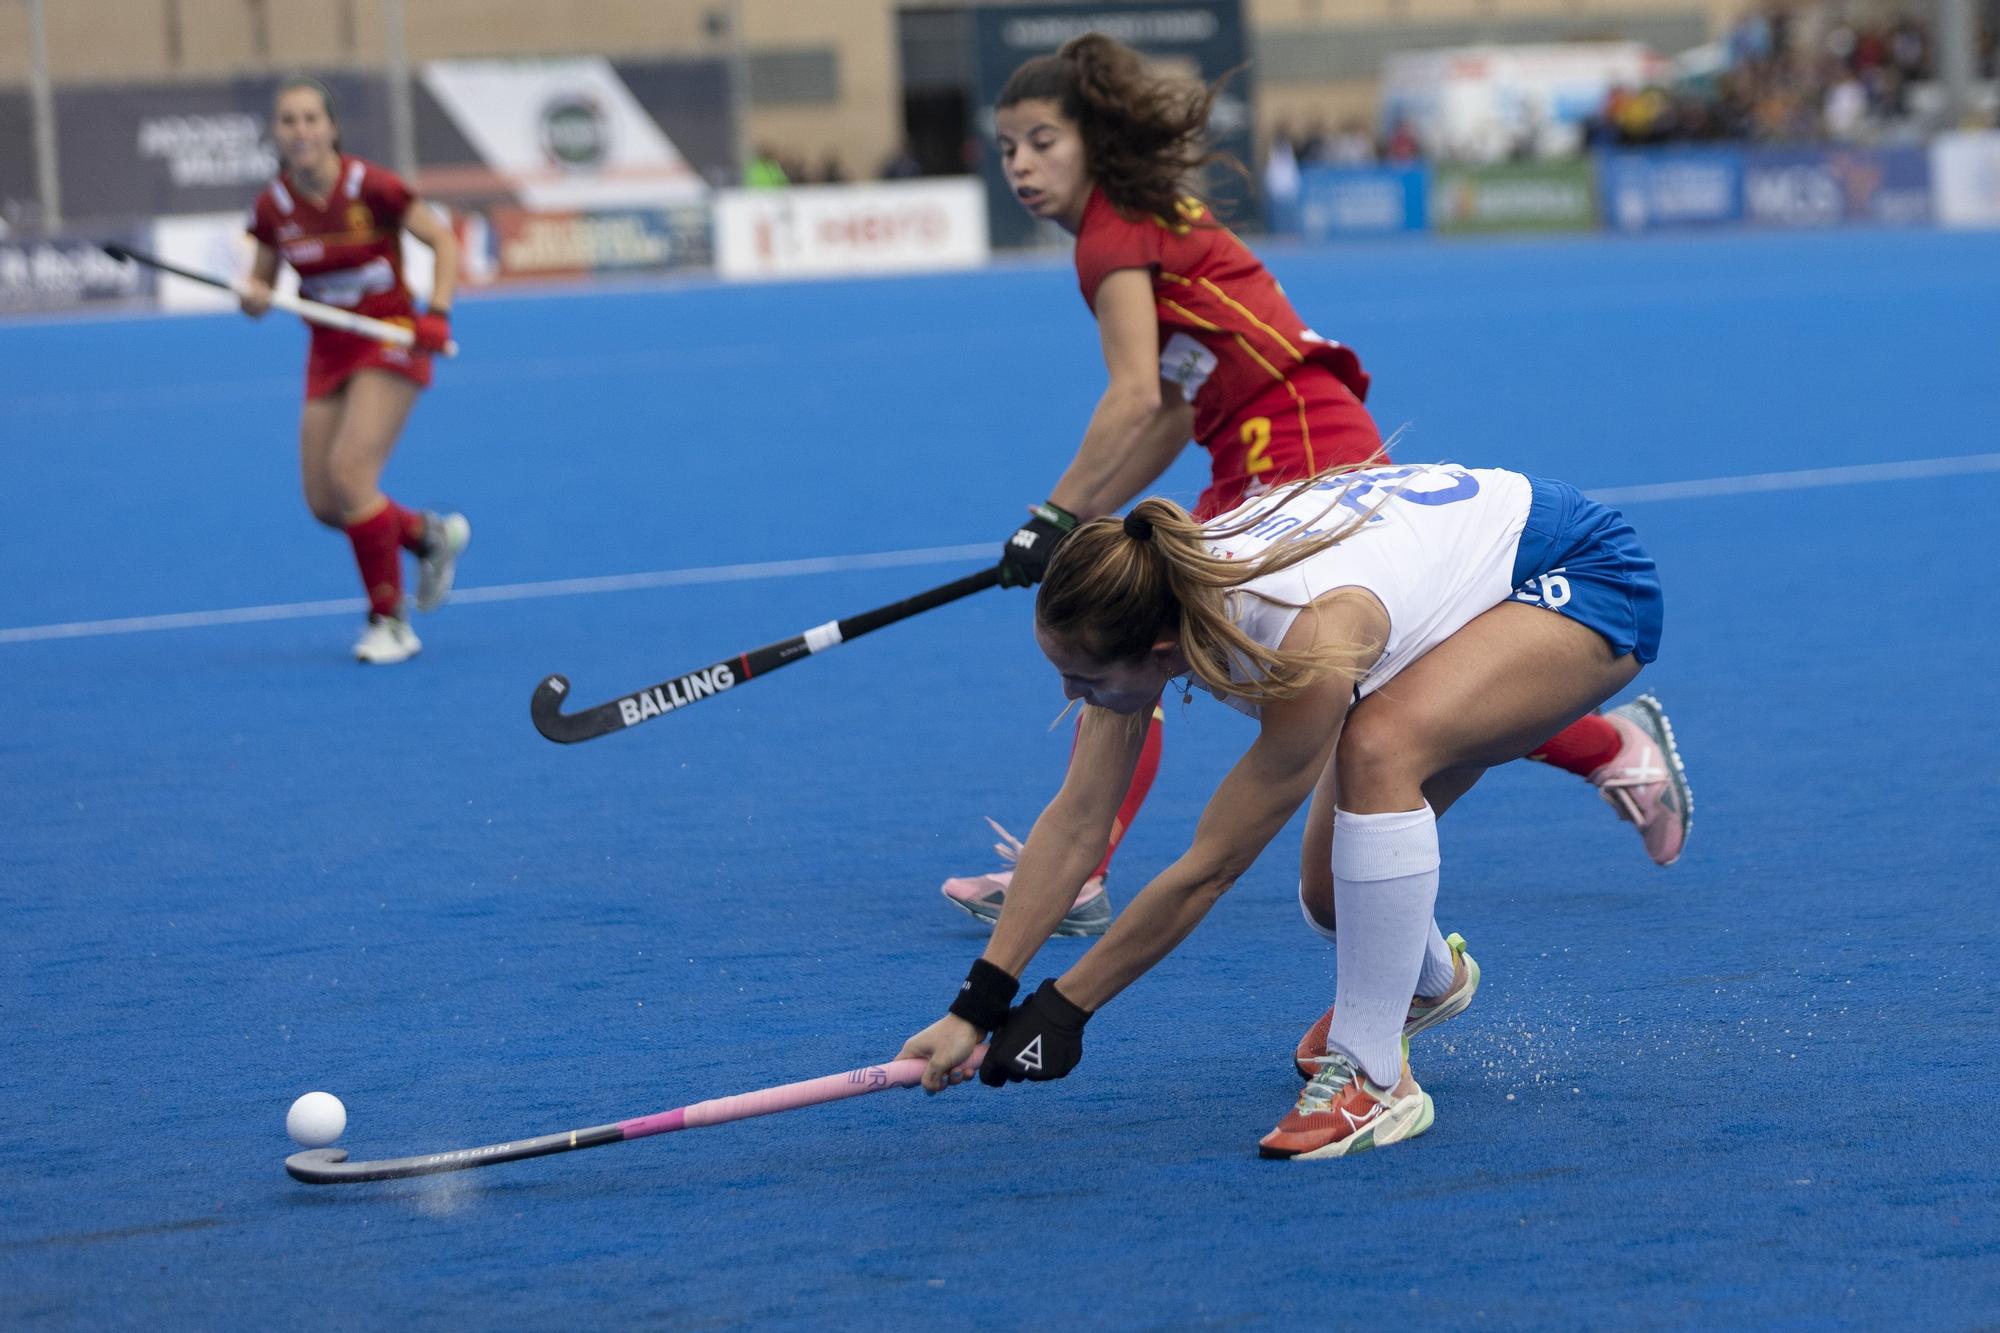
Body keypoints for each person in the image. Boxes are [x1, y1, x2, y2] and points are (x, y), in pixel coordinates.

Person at [940, 33, 1688, 936]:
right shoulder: (1136, 222)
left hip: (1297, 435)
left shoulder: (1109, 238)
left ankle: (1613, 745)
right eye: (1009, 146)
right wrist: (1083, 524)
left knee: (1363, 678)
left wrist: (1058, 516)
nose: (1022, 163)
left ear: (1094, 140)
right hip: (1255, 439)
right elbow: (1176, 406)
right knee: (1161, 629)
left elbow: (1133, 394)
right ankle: (1083, 863)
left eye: (1044, 141)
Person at [902, 462, 1682, 1158]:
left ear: (1162, 654)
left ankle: (1375, 1077)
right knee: (1332, 894)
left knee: (1379, 747)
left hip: (1577, 575)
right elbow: (1078, 821)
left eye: (1085, 681)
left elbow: (1211, 868)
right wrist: (977, 1005)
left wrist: (1067, 1006)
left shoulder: (1304, 632)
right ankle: (1425, 982)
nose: (1075, 697)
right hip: (1458, 580)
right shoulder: (1144, 598)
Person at [242, 76, 468, 664]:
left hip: (390, 339)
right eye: (288, 120)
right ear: (278, 132)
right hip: (329, 352)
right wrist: (253, 297)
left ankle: (389, 622)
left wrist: (437, 314)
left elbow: (442, 241)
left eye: (311, 119)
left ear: (332, 128)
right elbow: (260, 285)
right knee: (324, 503)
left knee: (350, 476)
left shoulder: (374, 186)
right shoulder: (275, 207)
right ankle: (426, 536)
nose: (301, 131)